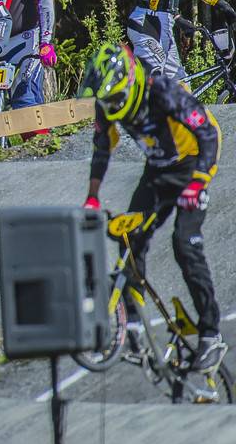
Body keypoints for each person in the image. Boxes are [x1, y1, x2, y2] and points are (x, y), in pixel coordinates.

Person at [80, 42, 225, 371]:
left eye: (117, 99)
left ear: (130, 82)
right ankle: (132, 325)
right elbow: (103, 149)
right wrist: (92, 196)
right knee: (129, 239)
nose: (113, 106)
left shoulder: (162, 91)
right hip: (158, 171)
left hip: (191, 164)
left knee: (185, 244)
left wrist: (199, 181)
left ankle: (210, 333)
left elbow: (208, 133)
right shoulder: (107, 101)